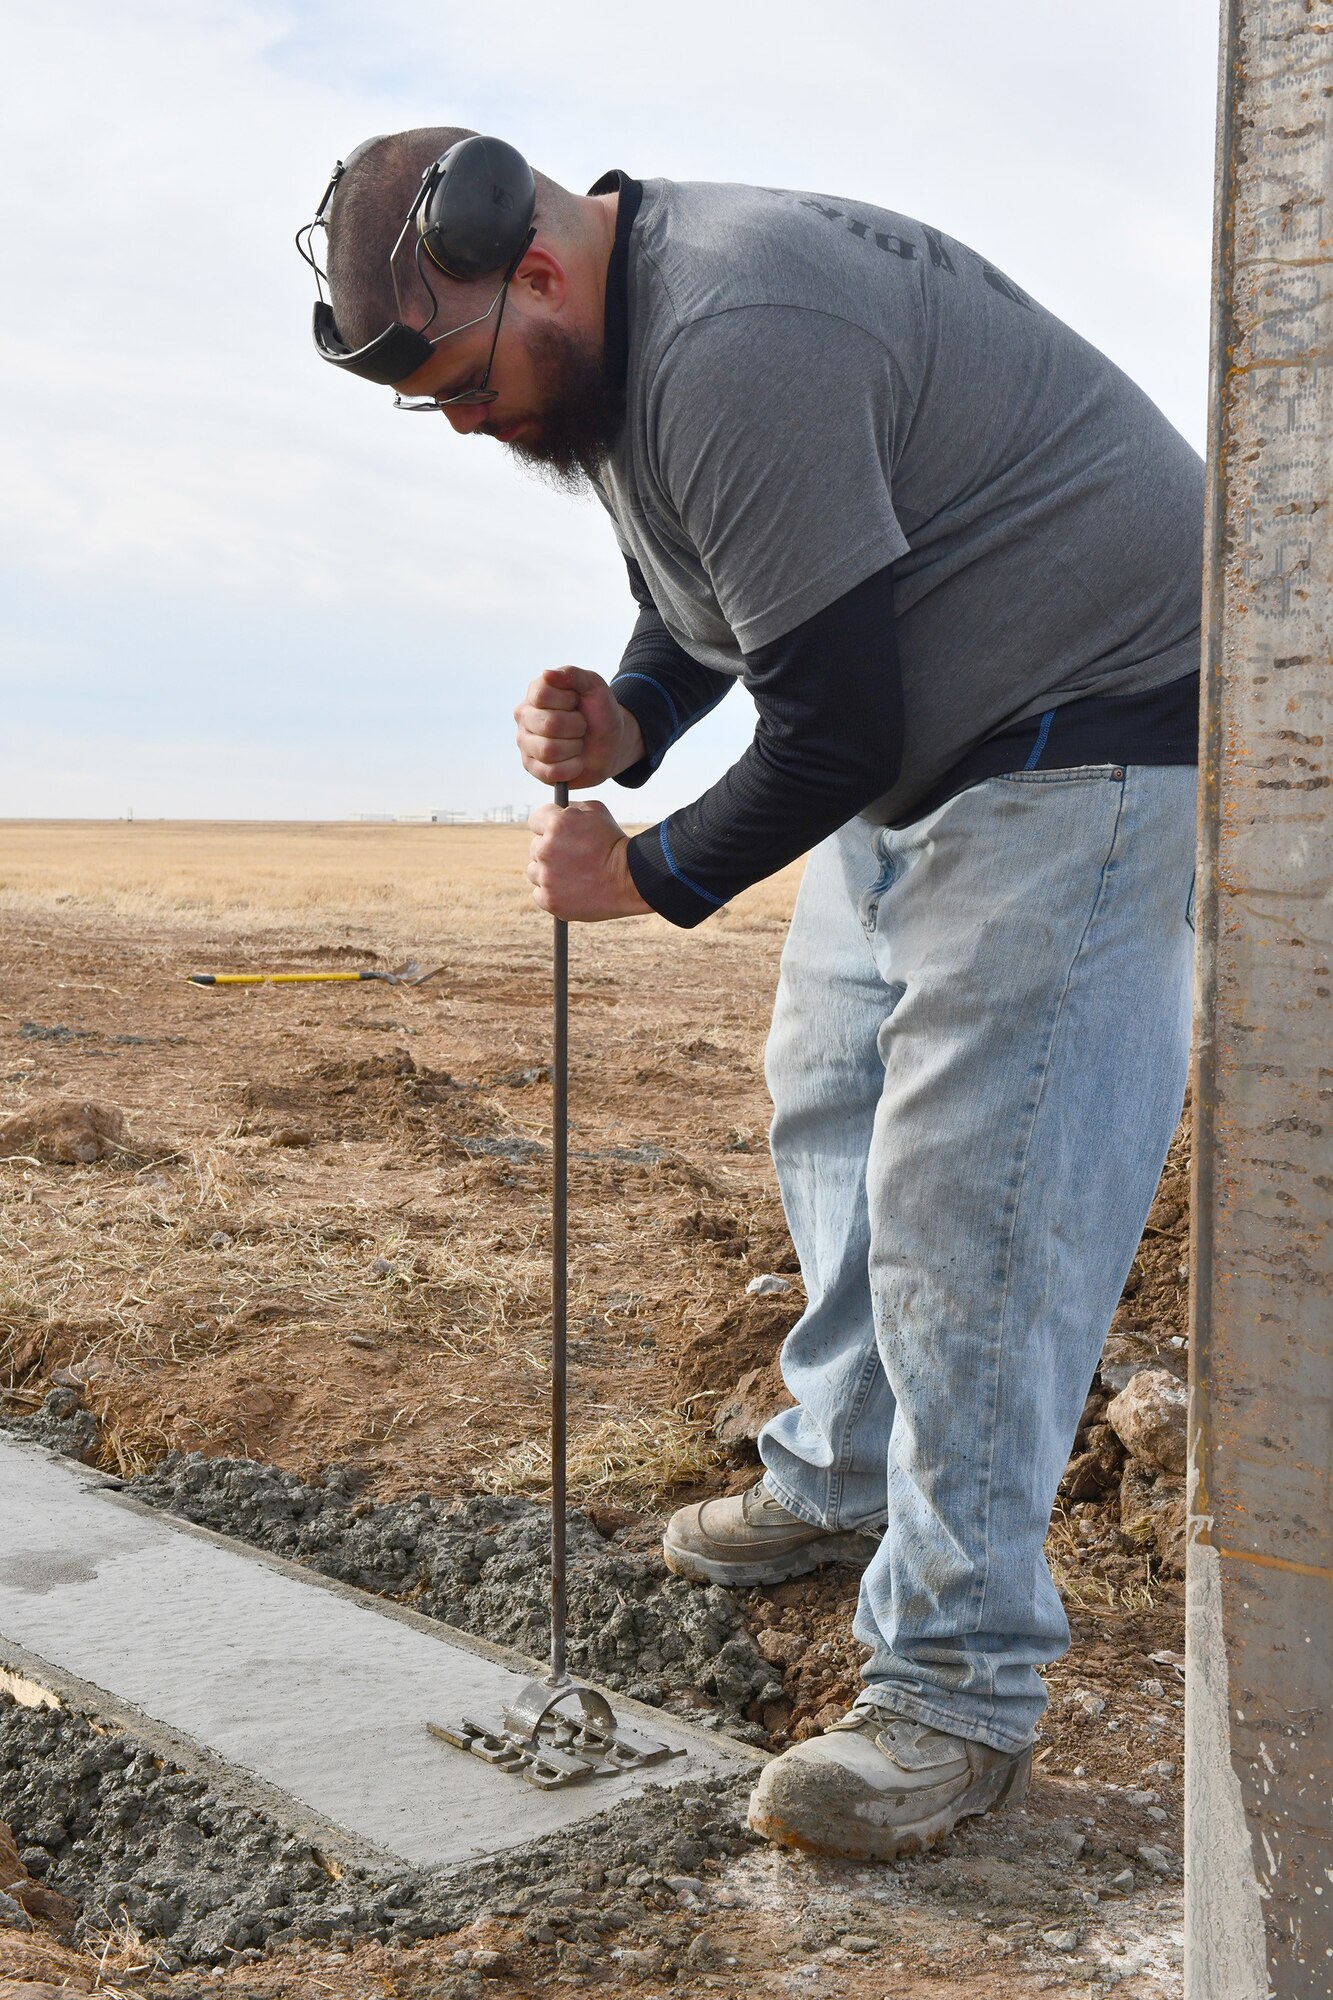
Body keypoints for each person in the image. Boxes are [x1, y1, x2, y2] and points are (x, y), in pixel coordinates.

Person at [302, 127, 1202, 1861]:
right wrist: (632, 716)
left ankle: (953, 1692)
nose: (466, 426)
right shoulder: (623, 365)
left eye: (461, 385)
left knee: (975, 1205)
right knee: (829, 1084)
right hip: (928, 746)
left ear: (539, 271)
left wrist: (641, 870)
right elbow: (716, 607)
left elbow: (835, 720)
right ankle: (843, 1467)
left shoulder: (734, 334)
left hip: (1086, 731)